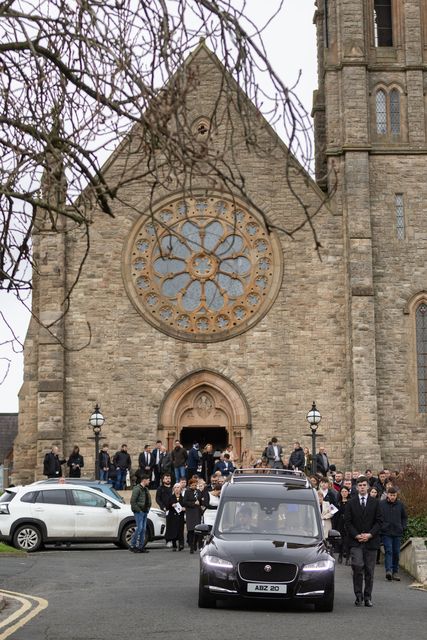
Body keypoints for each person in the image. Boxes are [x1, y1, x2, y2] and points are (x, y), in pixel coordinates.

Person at [344, 475, 383, 607]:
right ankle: (358, 595)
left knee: (369, 571)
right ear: (356, 487)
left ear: (368, 487)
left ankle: (367, 597)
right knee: (358, 566)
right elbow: (347, 523)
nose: (362, 487)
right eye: (360, 485)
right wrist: (357, 535)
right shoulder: (350, 503)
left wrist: (370, 534)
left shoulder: (375, 503)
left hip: (371, 542)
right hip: (356, 542)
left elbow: (379, 522)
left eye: (364, 485)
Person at [380, 487, 408, 581]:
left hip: (397, 532)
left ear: (396, 495)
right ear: (387, 495)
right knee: (388, 551)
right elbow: (378, 516)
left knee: (396, 552)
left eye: (394, 495)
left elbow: (404, 517)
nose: (392, 497)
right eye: (391, 495)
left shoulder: (400, 505)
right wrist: (382, 526)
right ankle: (388, 571)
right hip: (386, 532)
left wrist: (403, 527)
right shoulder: (382, 504)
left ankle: (395, 572)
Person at [129, 473, 151, 553]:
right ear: (144, 480)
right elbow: (133, 501)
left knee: (143, 529)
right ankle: (132, 545)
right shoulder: (137, 489)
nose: (149, 481)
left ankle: (141, 546)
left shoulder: (146, 489)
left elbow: (148, 500)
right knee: (140, 528)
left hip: (145, 511)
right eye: (148, 480)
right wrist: (139, 510)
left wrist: (148, 508)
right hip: (139, 512)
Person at [182, 477, 203, 553]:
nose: (194, 486)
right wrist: (193, 503)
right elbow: (184, 502)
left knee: (198, 529)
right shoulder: (187, 492)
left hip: (197, 512)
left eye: (195, 485)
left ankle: (196, 544)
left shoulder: (198, 491)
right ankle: (191, 545)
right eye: (193, 485)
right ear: (190, 485)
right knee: (191, 530)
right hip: (190, 512)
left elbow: (201, 499)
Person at [165, 483, 186, 550]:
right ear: (173, 489)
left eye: (178, 487)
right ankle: (174, 544)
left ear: (181, 489)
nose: (177, 489)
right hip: (172, 516)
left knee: (180, 530)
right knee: (173, 530)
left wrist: (184, 508)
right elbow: (167, 506)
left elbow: (186, 505)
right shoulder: (171, 497)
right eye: (175, 487)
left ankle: (181, 544)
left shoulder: (183, 498)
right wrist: (171, 505)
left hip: (180, 516)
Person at [336, 486, 351, 564]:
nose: (344, 493)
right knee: (340, 541)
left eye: (346, 491)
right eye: (342, 492)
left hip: (348, 522)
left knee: (347, 540)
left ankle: (348, 557)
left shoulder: (351, 502)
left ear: (348, 492)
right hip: (340, 522)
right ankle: (340, 555)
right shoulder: (338, 502)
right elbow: (335, 513)